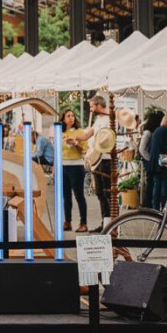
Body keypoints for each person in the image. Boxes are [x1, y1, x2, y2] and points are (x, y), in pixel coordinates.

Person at [58, 109, 91, 232]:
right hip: (63, 166)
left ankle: (83, 223)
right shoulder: (60, 132)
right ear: (63, 119)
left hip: (76, 166)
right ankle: (67, 222)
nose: (71, 118)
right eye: (68, 116)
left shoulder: (80, 132)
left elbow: (84, 150)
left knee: (79, 195)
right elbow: (57, 149)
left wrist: (76, 144)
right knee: (66, 196)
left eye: (72, 115)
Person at [87, 95, 113, 230]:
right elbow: (89, 133)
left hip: (106, 160)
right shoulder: (98, 119)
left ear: (98, 105)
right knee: (100, 193)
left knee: (107, 193)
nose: (91, 109)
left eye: (92, 106)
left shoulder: (109, 119)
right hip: (96, 160)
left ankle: (111, 224)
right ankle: (105, 223)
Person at [147, 113, 167, 211]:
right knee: (165, 186)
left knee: (157, 186)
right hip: (166, 162)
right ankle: (164, 208)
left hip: (156, 162)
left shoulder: (156, 131)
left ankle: (155, 209)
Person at [137, 110, 164, 208]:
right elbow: (142, 149)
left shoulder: (151, 132)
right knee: (150, 183)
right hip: (149, 161)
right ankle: (148, 205)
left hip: (150, 160)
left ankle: (150, 204)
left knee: (151, 183)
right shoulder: (148, 132)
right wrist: (150, 159)